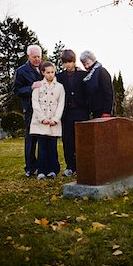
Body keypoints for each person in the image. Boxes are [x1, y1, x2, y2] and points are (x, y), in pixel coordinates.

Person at [30, 61, 65, 180]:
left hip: (54, 121)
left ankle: (53, 170)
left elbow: (61, 104)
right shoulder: (38, 86)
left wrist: (55, 119)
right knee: (42, 147)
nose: (50, 75)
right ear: (43, 73)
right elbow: (35, 102)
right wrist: (42, 118)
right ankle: (41, 170)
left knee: (52, 146)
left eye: (52, 72)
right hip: (41, 121)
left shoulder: (60, 87)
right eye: (48, 72)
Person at [56, 49, 89, 177]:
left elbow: (88, 92)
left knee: (81, 140)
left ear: (74, 61)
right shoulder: (59, 77)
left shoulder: (82, 75)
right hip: (67, 113)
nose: (68, 65)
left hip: (81, 112)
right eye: (65, 63)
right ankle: (70, 166)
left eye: (70, 62)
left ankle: (82, 166)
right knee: (68, 140)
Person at [13, 44, 43, 177]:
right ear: (28, 56)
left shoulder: (46, 68)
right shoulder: (21, 71)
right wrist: (31, 87)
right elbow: (17, 90)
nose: (37, 59)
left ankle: (43, 167)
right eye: (34, 57)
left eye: (39, 56)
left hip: (46, 109)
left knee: (44, 139)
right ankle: (30, 168)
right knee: (31, 140)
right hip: (31, 110)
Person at [80, 50, 114, 119]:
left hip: (103, 111)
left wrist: (107, 112)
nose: (86, 66)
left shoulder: (102, 71)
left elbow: (108, 92)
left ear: (93, 60)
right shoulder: (89, 75)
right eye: (84, 64)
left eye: (88, 63)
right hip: (94, 111)